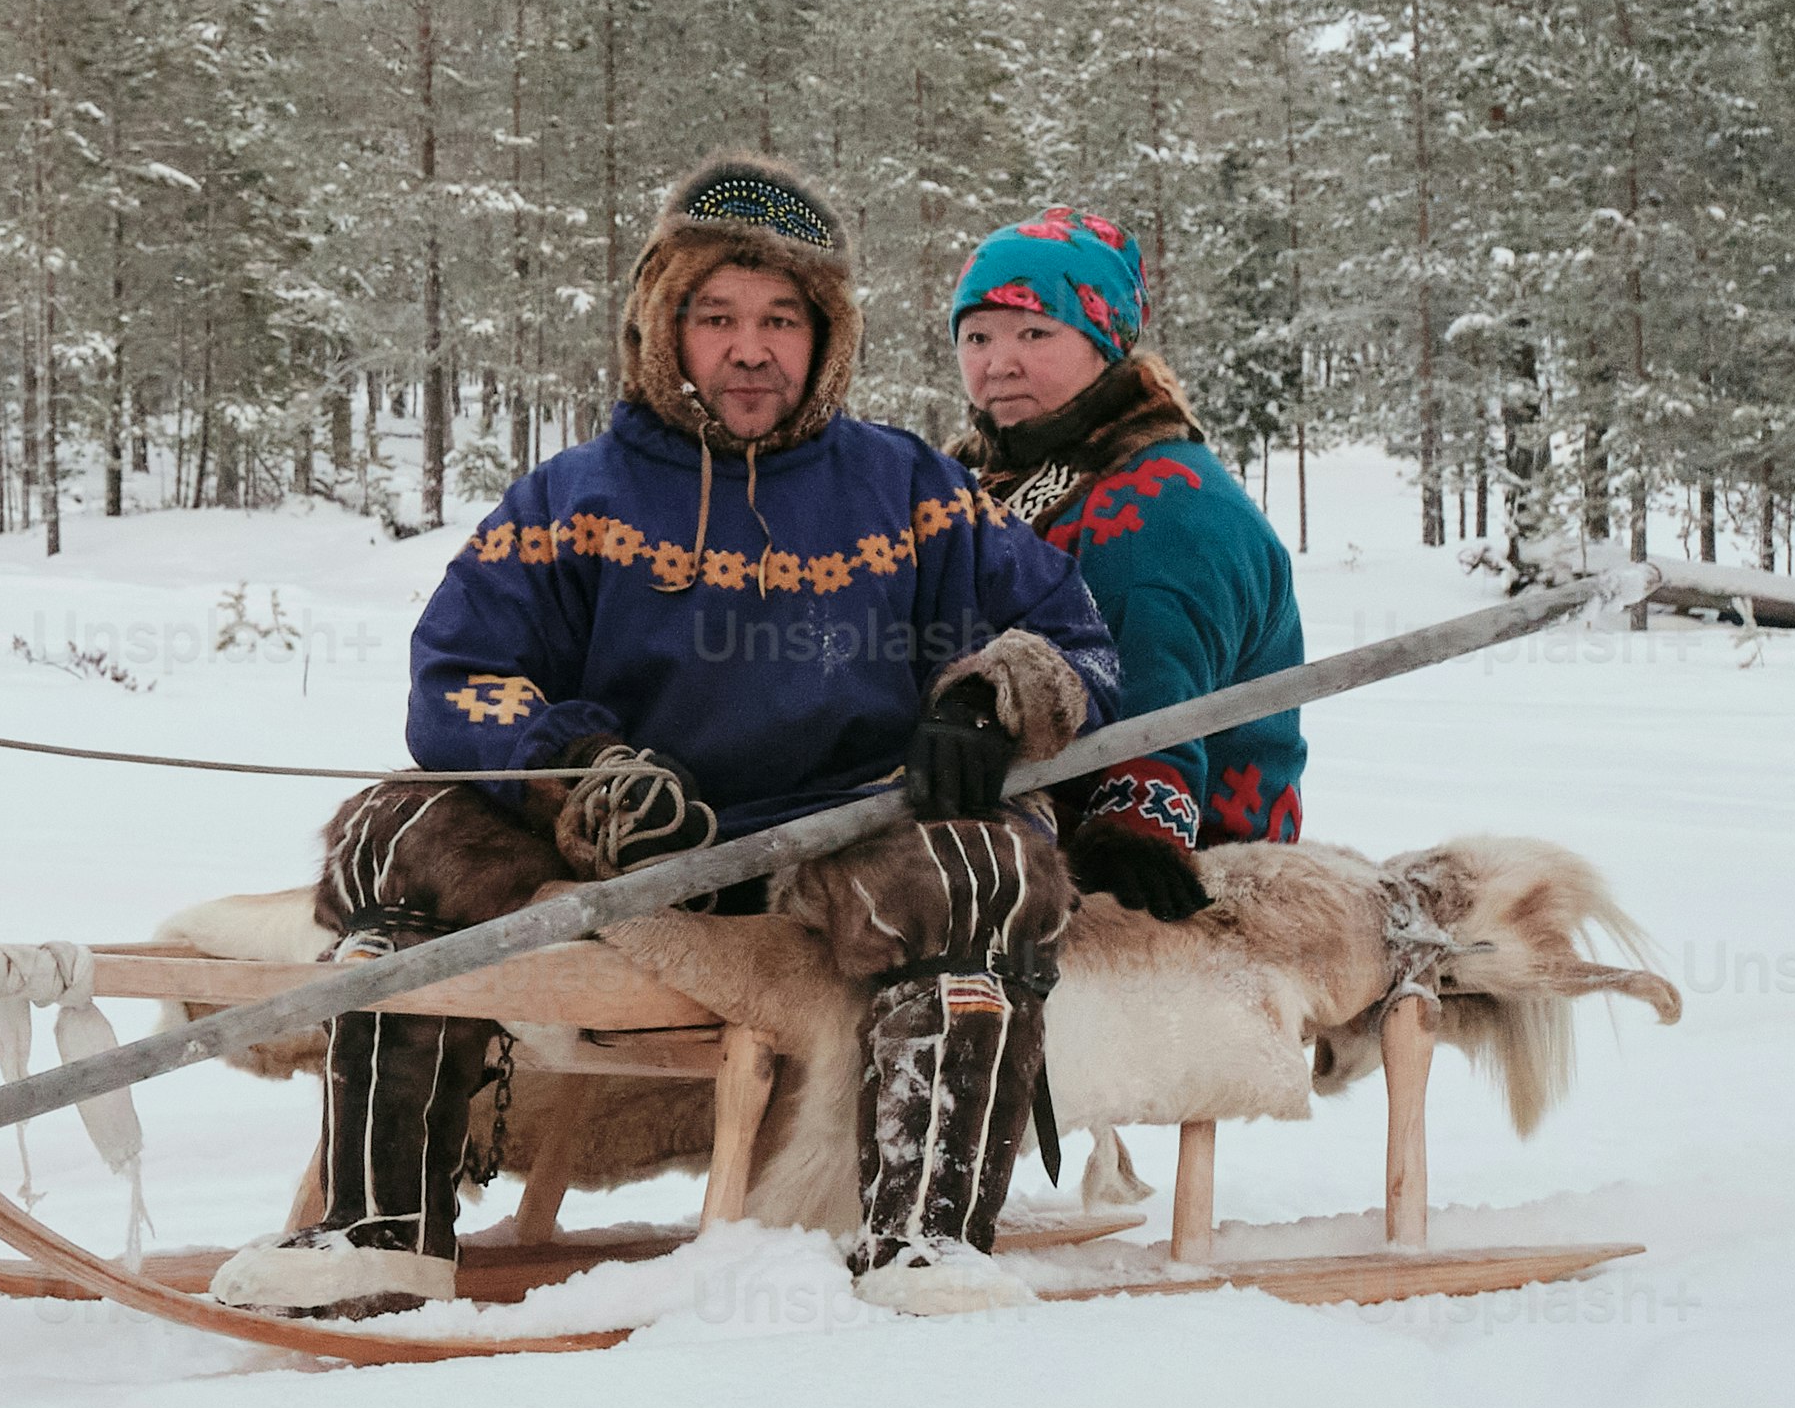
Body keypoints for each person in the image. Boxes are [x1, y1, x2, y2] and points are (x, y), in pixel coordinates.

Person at [221, 153, 1124, 1324]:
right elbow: (457, 674)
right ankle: (379, 1229)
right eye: (717, 316)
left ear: (827, 333)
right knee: (392, 831)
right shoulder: (570, 497)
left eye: (782, 318)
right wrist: (576, 773)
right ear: (663, 323)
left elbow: (1075, 636)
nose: (751, 348)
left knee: (987, 861)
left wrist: (986, 699)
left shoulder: (908, 489)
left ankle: (924, 1241)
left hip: (841, 848)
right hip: (620, 862)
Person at [942, 207, 1296, 922]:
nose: (997, 362)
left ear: (1103, 343)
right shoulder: (987, 477)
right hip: (1003, 807)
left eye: (1034, 333)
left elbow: (1161, 679)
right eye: (977, 336)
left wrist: (1139, 823)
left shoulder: (1160, 500)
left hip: (1182, 855)